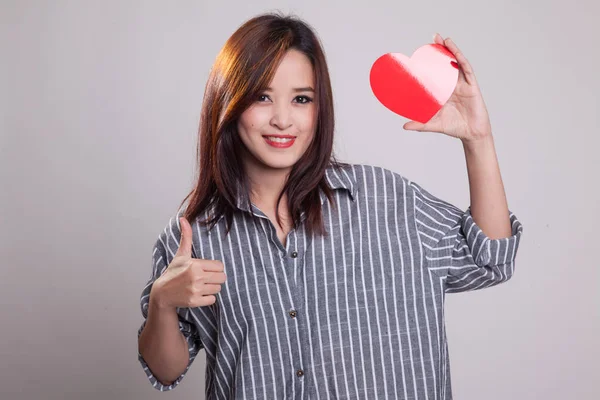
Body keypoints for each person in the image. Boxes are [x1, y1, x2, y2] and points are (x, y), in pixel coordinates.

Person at [137, 11, 523, 400]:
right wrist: (162, 302)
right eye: (262, 97)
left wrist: (478, 139)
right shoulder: (193, 236)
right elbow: (166, 370)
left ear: (319, 109)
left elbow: (490, 258)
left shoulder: (385, 198)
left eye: (301, 99)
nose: (283, 119)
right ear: (230, 103)